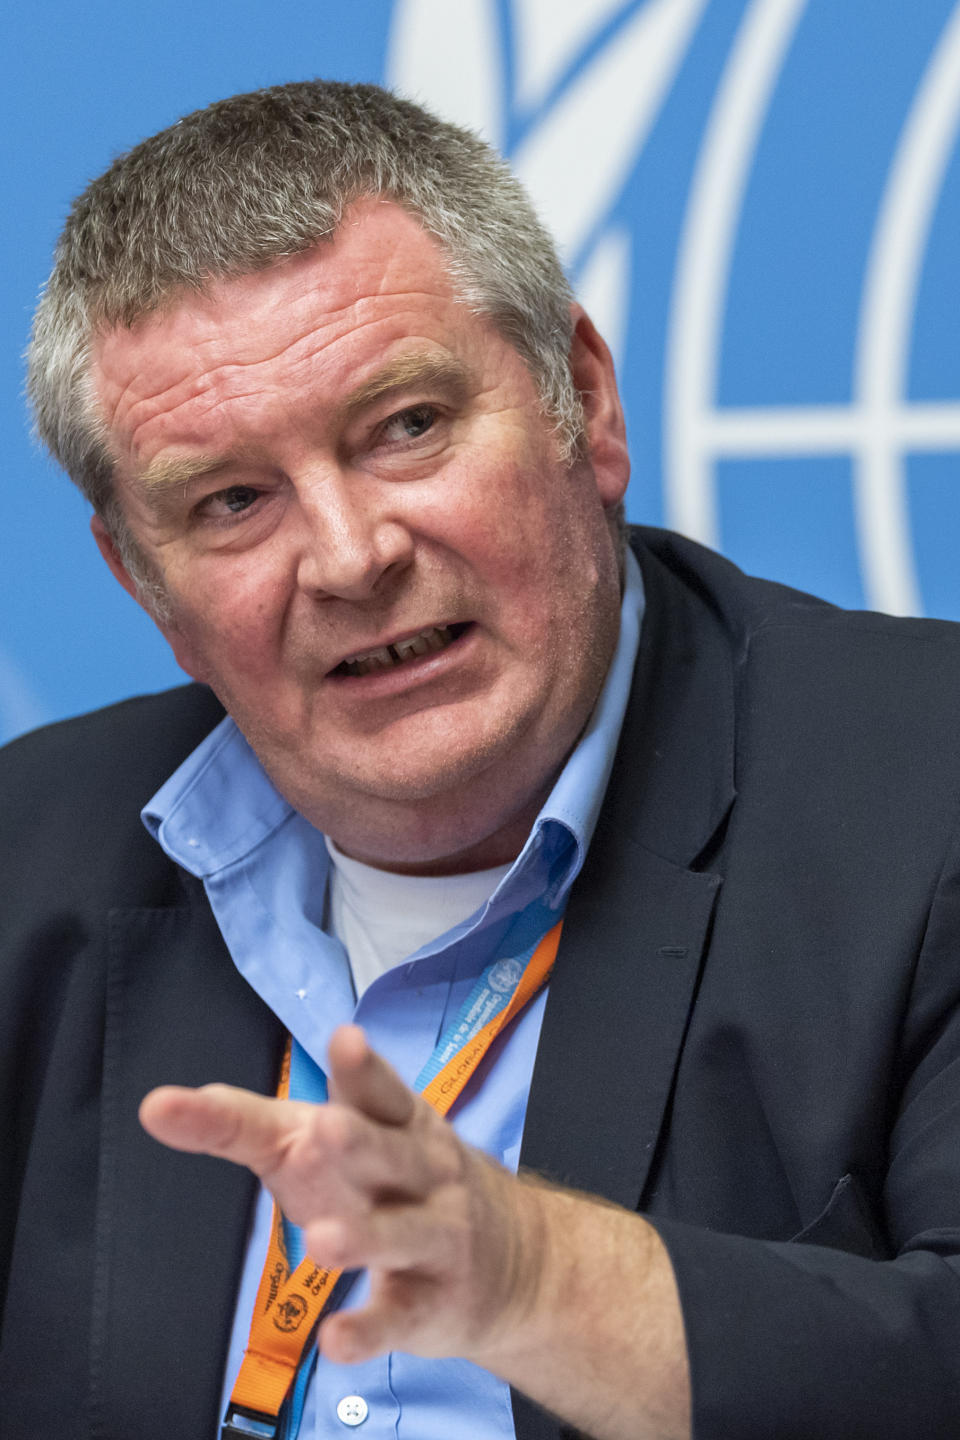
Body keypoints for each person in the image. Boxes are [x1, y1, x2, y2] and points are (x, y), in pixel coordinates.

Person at [3, 79, 960, 1440]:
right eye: (230, 502)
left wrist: (528, 1277)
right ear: (141, 581)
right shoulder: (22, 857)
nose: (348, 557)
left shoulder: (927, 786)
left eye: (406, 427)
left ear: (585, 403)